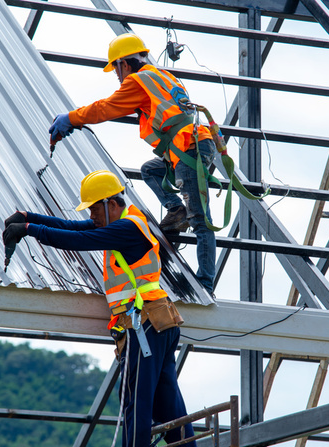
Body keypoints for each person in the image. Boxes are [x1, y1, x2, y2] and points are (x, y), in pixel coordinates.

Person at [2, 170, 200, 447]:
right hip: (160, 321)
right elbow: (72, 227)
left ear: (111, 203)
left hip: (144, 323)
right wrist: (29, 218)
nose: (92, 214)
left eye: (94, 207)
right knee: (170, 405)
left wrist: (29, 230)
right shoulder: (126, 223)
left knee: (137, 402)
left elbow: (79, 240)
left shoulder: (127, 229)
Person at [48, 33, 216, 294]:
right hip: (189, 146)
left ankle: (206, 284)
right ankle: (175, 210)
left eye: (115, 69)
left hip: (188, 149)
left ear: (123, 64)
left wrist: (72, 117)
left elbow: (107, 107)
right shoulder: (162, 76)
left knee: (201, 221)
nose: (117, 76)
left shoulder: (138, 81)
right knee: (151, 170)